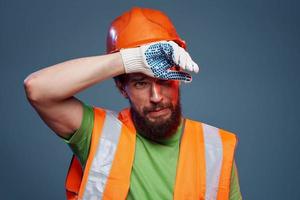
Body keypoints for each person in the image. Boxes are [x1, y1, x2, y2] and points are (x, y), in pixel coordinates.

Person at [24, 7, 242, 200]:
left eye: (164, 80)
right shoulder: (99, 134)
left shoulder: (215, 148)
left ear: (178, 79)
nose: (156, 96)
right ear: (122, 88)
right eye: (140, 83)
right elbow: (37, 89)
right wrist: (129, 61)